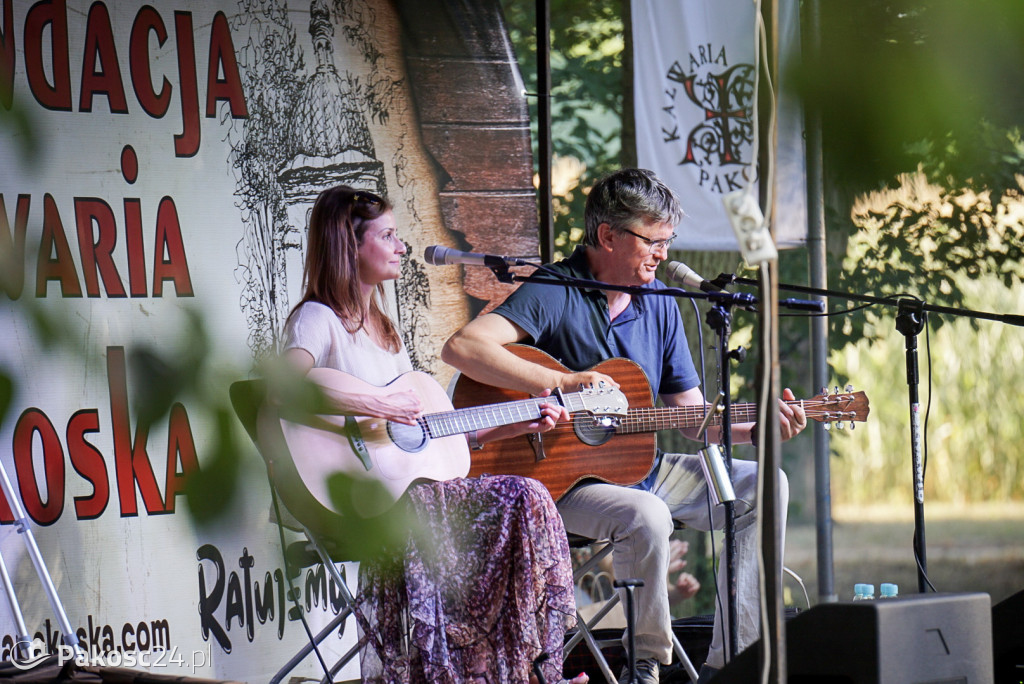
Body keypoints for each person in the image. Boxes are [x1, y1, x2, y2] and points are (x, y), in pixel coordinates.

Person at [441, 168, 808, 683]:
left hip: (643, 470)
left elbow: (696, 420)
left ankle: (736, 663)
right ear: (607, 235)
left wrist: (758, 431)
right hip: (560, 483)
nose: (660, 254)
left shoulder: (659, 304)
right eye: (651, 240)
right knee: (648, 514)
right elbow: (462, 347)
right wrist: (562, 382)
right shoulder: (555, 288)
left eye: (667, 241)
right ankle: (646, 667)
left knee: (763, 483)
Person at [280, 185, 589, 684]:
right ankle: (534, 671)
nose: (402, 246)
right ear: (349, 245)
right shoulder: (318, 319)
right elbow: (284, 388)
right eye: (389, 236)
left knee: (521, 498)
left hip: (415, 497)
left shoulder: (384, 329)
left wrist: (518, 422)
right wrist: (377, 403)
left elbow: (431, 441)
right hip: (365, 503)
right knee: (521, 495)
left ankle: (521, 667)